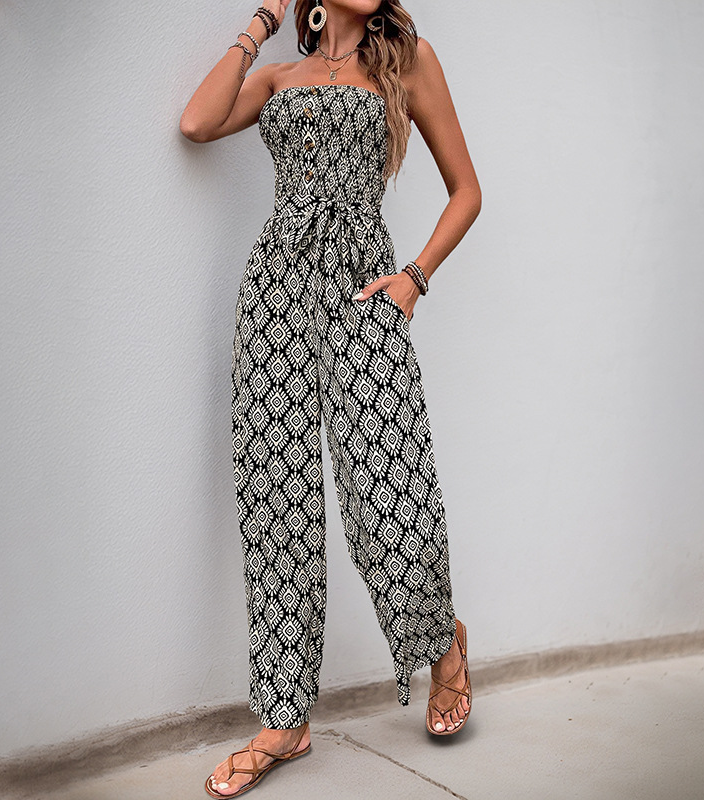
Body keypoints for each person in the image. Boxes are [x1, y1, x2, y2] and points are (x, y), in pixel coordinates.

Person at [180, 0, 481, 795]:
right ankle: (285, 718)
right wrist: (261, 21)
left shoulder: (408, 62)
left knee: (392, 493)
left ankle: (441, 644)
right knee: (276, 499)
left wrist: (413, 279)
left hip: (363, 290)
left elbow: (467, 192)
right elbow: (198, 123)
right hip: (276, 292)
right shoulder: (280, 76)